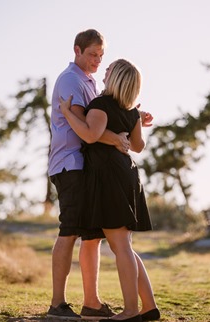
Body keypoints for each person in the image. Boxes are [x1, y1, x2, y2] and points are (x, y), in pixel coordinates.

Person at [59, 58, 160, 322]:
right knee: (124, 245)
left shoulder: (100, 105)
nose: (105, 70)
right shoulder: (131, 112)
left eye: (109, 68)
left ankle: (130, 311)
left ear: (116, 78)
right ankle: (148, 307)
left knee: (121, 247)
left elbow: (90, 135)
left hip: (108, 176)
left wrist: (67, 112)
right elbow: (138, 146)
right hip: (127, 173)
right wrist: (127, 129)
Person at [47, 30, 131, 320]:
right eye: (92, 54)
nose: (96, 60)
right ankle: (57, 305)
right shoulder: (71, 79)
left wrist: (132, 121)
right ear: (77, 50)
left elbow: (99, 121)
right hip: (69, 164)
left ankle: (91, 303)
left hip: (85, 167)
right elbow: (87, 129)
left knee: (91, 236)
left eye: (100, 56)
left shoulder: (89, 81)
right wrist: (118, 139)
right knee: (69, 230)